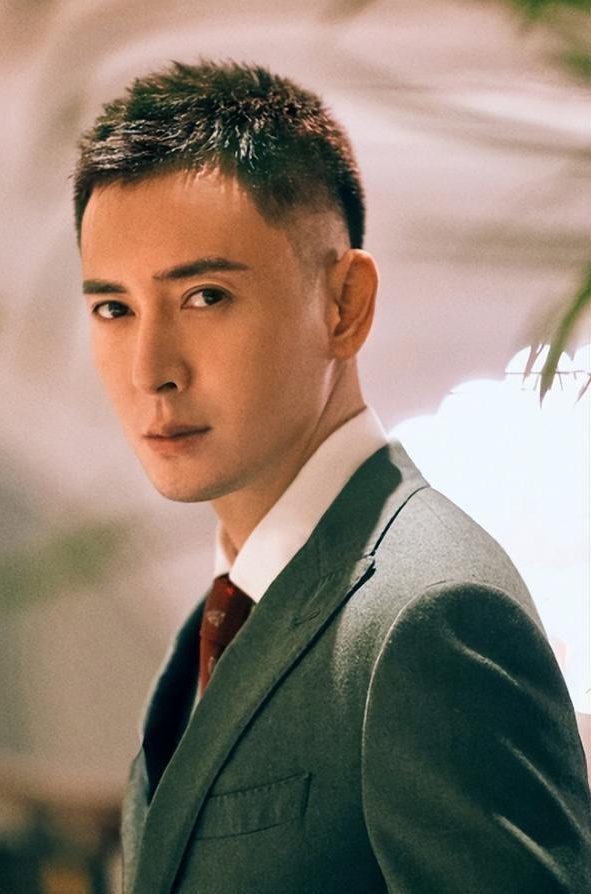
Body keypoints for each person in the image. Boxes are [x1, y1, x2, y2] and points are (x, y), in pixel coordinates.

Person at [73, 61, 590, 894]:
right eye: (114, 308)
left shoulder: (430, 617)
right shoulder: (231, 611)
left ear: (345, 304)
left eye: (205, 296)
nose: (150, 369)